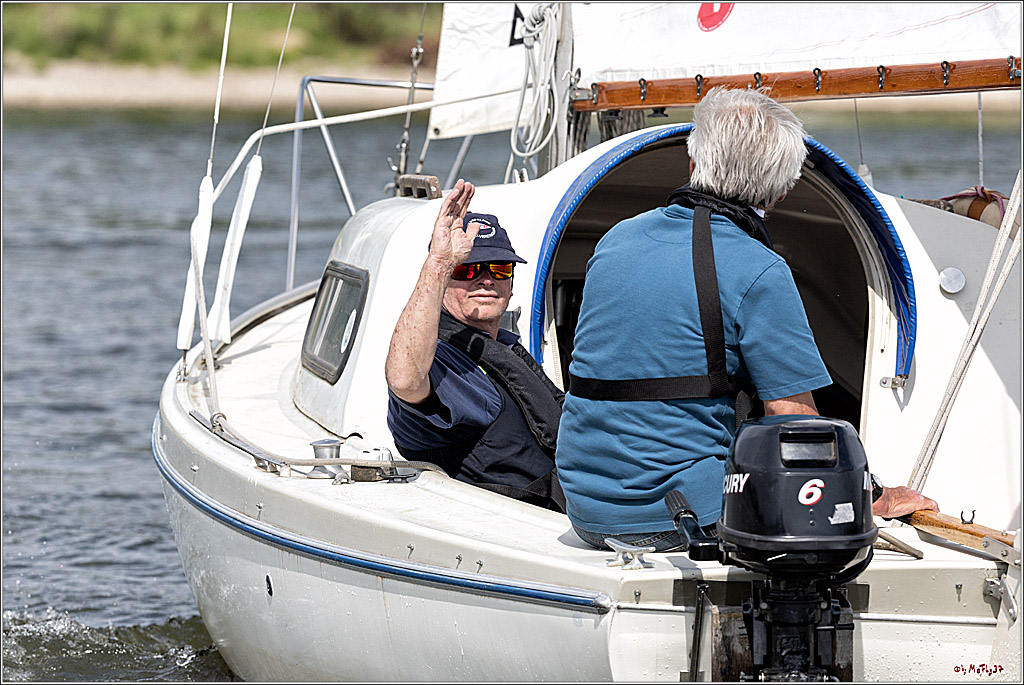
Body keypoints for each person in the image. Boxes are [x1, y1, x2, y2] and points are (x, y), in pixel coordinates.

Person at [555, 87, 936, 551]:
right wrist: (869, 495)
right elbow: (794, 422)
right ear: (780, 191)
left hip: (585, 508)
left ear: (692, 166)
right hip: (680, 518)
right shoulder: (760, 269)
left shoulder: (614, 241)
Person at [385, 179, 565, 509]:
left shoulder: (504, 347)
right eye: (467, 269)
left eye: (499, 268)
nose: (486, 279)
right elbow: (405, 381)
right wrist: (439, 262)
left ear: (511, 285)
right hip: (511, 536)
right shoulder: (444, 362)